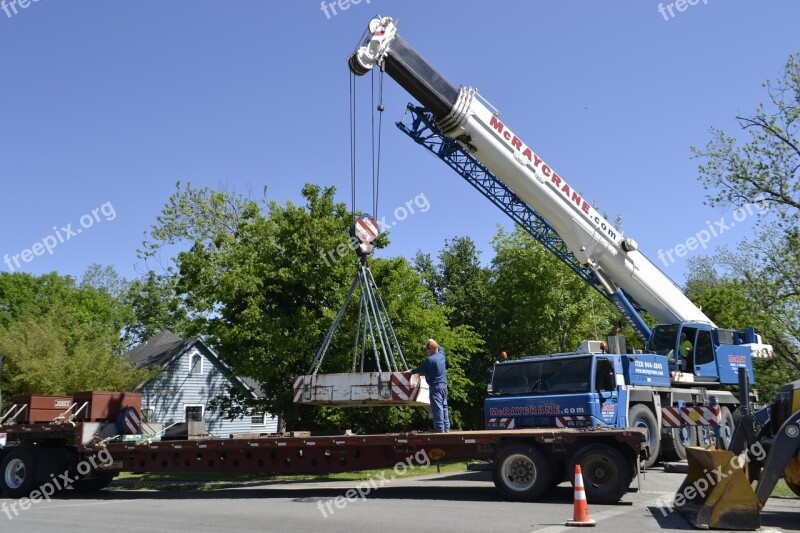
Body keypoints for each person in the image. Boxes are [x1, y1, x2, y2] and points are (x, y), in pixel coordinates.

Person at [410, 339, 450, 432]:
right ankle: (446, 427)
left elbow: (420, 369)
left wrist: (411, 371)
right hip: (444, 386)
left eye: (427, 349)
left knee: (437, 407)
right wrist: (433, 341)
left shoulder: (430, 360)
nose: (426, 351)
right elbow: (440, 348)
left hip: (435, 387)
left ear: (432, 349)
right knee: (444, 406)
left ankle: (439, 428)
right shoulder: (442, 356)